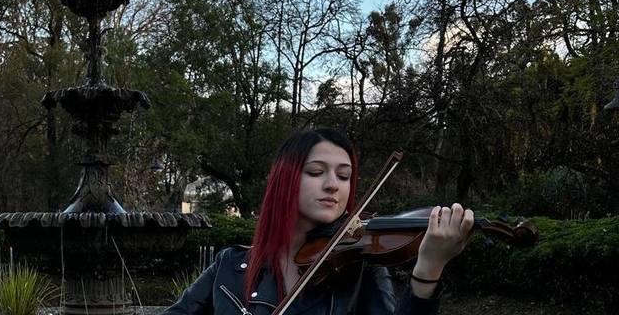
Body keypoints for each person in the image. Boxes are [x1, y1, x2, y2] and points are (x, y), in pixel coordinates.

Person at [164, 128, 474, 315]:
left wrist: (428, 269)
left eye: (344, 176)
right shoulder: (229, 266)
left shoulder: (360, 273)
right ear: (285, 181)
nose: (333, 185)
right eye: (316, 172)